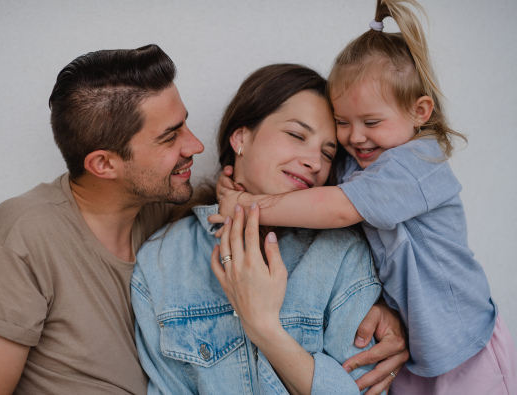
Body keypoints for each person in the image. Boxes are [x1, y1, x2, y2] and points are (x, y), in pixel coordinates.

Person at [212, 1, 517, 394]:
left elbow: (335, 208)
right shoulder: (359, 162)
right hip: (411, 348)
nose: (355, 137)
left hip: (464, 342)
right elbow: (308, 191)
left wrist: (245, 204)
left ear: (420, 112)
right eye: (343, 122)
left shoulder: (417, 162)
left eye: (371, 122)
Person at [0, 44, 205, 394]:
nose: (195, 145)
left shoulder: (165, 213)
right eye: (170, 136)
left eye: (185, 123)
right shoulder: (15, 241)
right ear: (104, 165)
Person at [132, 63, 400, 394]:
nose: (314, 163)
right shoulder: (162, 260)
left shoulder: (341, 253)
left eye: (328, 155)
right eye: (297, 135)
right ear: (241, 138)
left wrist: (264, 328)